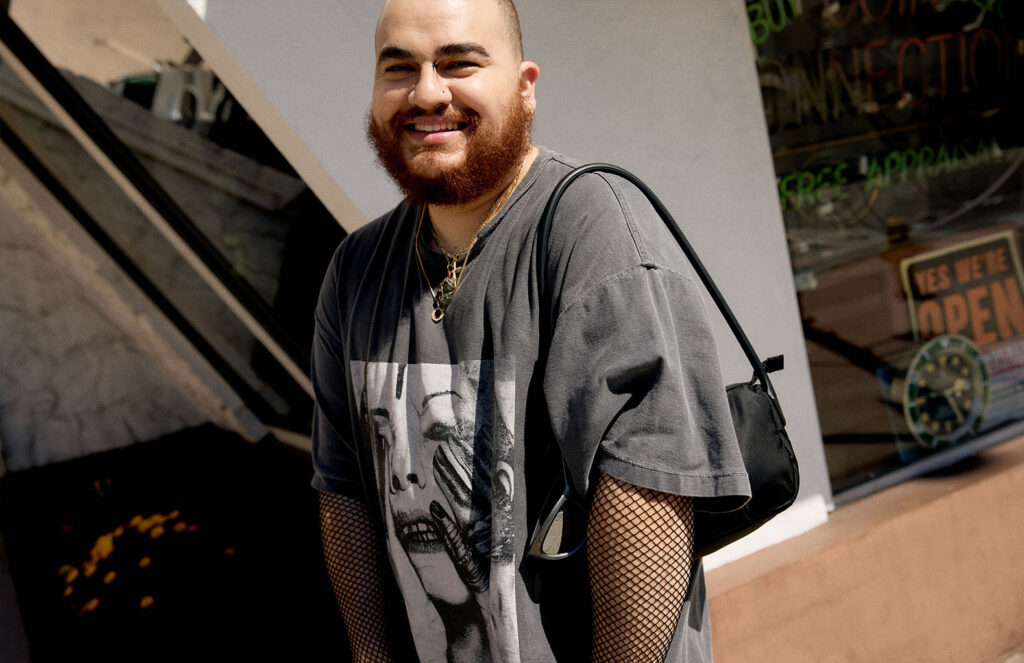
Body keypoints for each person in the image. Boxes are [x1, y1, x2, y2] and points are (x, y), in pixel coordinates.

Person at [311, 1, 751, 661]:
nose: (427, 92)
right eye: (399, 69)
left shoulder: (587, 228)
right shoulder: (355, 270)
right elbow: (343, 487)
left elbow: (650, 488)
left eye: (459, 63)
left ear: (524, 87)